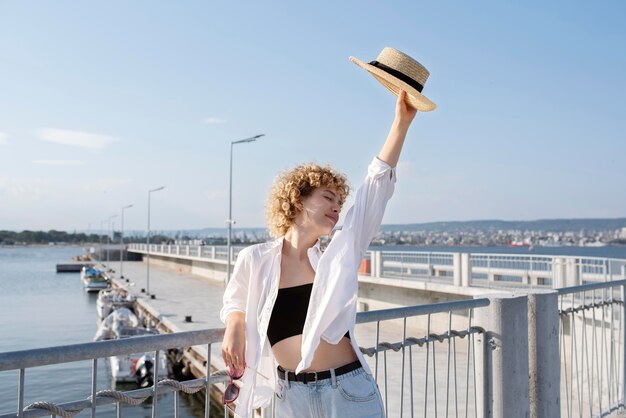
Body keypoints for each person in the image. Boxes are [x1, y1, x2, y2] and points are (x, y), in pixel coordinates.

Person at [220, 48, 435, 418]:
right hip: (290, 398)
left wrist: (401, 125)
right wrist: (234, 325)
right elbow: (235, 301)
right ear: (299, 200)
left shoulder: (337, 254)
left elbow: (375, 189)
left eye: (340, 200)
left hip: (347, 392)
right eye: (328, 197)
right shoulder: (254, 259)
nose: (338, 206)